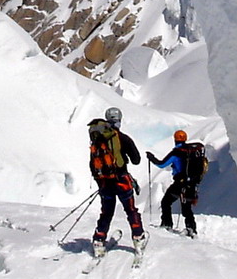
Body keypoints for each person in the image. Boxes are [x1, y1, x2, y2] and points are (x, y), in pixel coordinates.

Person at [87, 106, 145, 259]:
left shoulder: (97, 139)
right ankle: (138, 238)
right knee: (131, 210)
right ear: (119, 120)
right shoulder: (123, 138)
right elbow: (137, 160)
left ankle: (99, 240)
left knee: (106, 212)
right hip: (121, 181)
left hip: (105, 183)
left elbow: (92, 164)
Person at [149, 129, 208, 237]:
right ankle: (191, 228)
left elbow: (162, 164)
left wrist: (151, 158)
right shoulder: (191, 151)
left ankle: (167, 224)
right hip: (191, 183)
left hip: (180, 183)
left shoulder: (177, 152)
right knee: (186, 206)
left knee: (166, 202)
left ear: (175, 140)